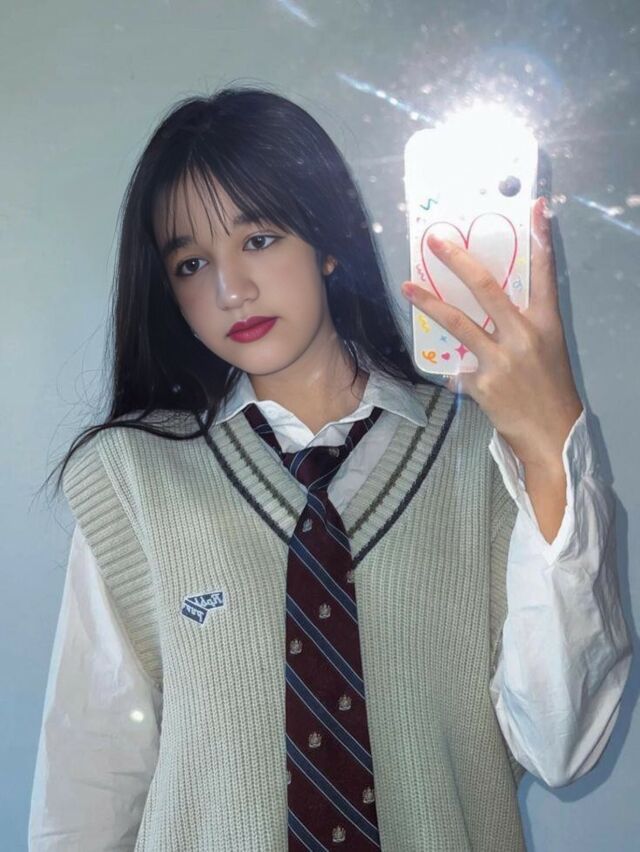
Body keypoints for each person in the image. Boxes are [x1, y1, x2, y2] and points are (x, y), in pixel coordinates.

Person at [29, 85, 632, 851]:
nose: (230, 289)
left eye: (258, 239)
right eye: (191, 262)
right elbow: (89, 782)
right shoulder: (137, 479)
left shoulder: (480, 455)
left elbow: (561, 745)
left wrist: (548, 447)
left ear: (328, 240)